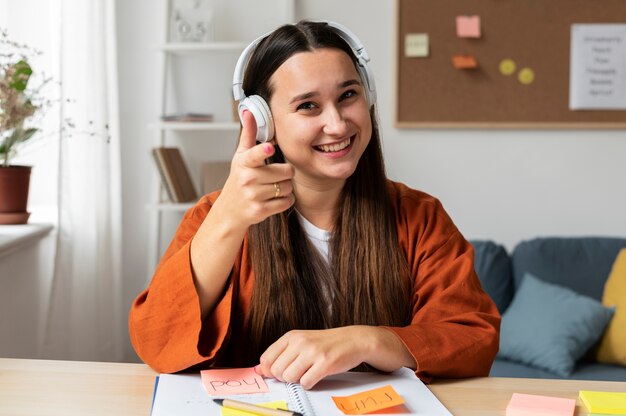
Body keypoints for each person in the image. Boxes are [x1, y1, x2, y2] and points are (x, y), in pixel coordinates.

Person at [129, 20, 500, 389]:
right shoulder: (215, 217)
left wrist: (367, 340)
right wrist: (229, 218)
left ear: (367, 97)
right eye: (308, 106)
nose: (337, 124)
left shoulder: (420, 216)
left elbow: (473, 338)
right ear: (262, 122)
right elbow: (157, 344)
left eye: (348, 96)